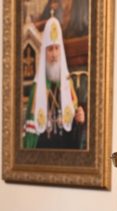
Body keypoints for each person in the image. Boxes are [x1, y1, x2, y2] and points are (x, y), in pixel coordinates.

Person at [23, 15, 86, 149]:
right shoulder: (36, 88)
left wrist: (79, 120)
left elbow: (73, 127)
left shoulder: (68, 85)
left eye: (57, 48)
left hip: (66, 150)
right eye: (50, 49)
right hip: (43, 151)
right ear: (44, 53)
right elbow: (30, 135)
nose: (54, 54)